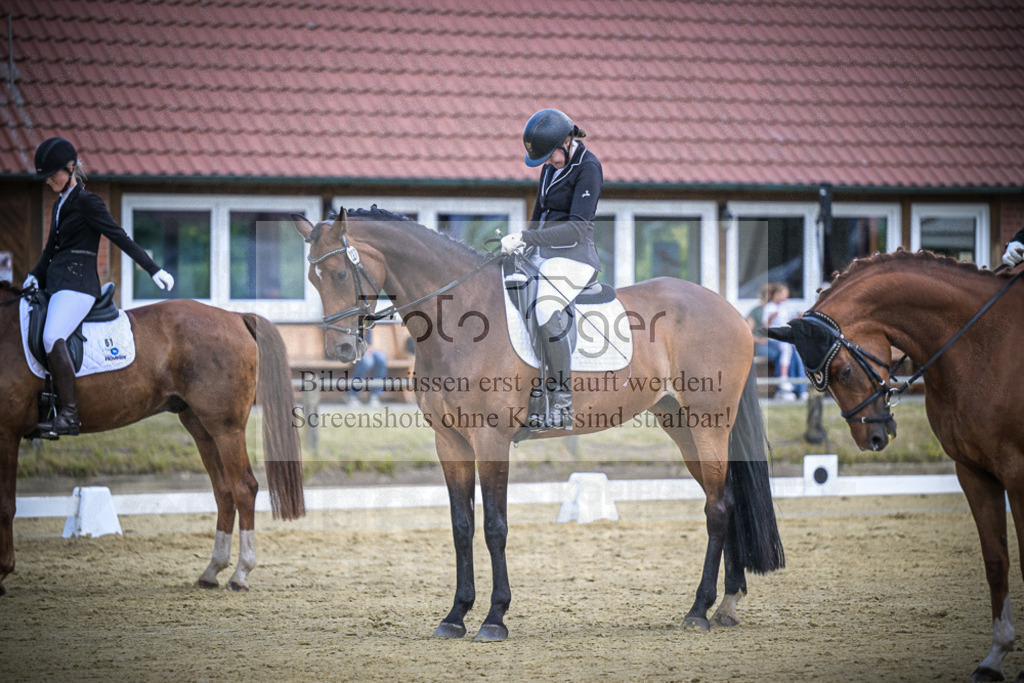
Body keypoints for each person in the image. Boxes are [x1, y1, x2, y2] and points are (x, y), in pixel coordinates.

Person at [24, 137, 175, 435]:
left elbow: (118, 236)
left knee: (53, 336)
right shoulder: (59, 205)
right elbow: (50, 250)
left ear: (70, 168)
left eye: (52, 174)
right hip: (56, 284)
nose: (47, 181)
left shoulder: (87, 201)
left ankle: (68, 413)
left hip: (79, 287)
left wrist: (152, 268)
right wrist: (34, 275)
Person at [501, 108, 602, 431]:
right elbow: (540, 211)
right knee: (513, 295)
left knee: (545, 309)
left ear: (567, 142)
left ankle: (560, 400)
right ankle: (532, 388)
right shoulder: (550, 167)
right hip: (544, 255)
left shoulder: (588, 168)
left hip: (575, 257)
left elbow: (575, 228)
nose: (548, 163)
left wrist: (528, 237)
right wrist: (523, 245)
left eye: (551, 156)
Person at [763, 283, 806, 400]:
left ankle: (800, 388)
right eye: (783, 295)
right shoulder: (769, 307)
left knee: (796, 353)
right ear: (776, 295)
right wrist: (771, 318)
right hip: (774, 338)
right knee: (786, 349)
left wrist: (797, 319)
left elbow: (786, 322)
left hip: (785, 338)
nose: (785, 298)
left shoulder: (783, 307)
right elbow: (765, 327)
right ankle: (783, 380)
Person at [747, 282, 783, 392]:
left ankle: (796, 386)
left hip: (773, 342)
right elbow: (747, 333)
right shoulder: (756, 311)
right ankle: (781, 388)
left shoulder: (776, 309)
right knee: (779, 355)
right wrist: (760, 340)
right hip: (760, 345)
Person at [347, 330, 387, 409]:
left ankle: (375, 395)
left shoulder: (365, 320)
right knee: (367, 362)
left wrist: (369, 348)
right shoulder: (347, 319)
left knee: (382, 358)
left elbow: (368, 339)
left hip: (366, 349)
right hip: (351, 351)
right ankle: (353, 395)